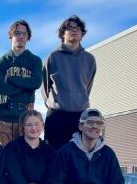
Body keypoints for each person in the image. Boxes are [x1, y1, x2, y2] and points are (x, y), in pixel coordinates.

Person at [41, 15, 96, 148]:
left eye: (78, 28)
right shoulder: (53, 57)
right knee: (54, 158)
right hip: (56, 117)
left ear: (82, 34)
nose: (74, 30)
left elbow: (87, 87)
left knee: (78, 158)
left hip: (80, 116)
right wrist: (55, 104)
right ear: (62, 34)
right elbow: (45, 88)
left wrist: (78, 101)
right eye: (70, 28)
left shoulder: (89, 59)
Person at [0, 20, 42, 146]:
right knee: (3, 158)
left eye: (24, 34)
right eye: (17, 33)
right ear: (11, 36)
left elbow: (36, 83)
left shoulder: (35, 60)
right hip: (4, 119)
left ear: (28, 37)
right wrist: (24, 87)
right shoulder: (1, 62)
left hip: (26, 118)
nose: (20, 37)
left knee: (25, 158)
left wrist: (11, 80)